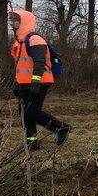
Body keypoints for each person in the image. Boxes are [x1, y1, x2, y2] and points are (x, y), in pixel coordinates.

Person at [9, 10, 71, 151]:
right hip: (24, 82)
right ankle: (32, 142)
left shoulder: (35, 39)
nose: (11, 23)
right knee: (24, 112)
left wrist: (35, 82)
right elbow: (21, 66)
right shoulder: (19, 41)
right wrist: (16, 82)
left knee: (32, 111)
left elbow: (39, 63)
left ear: (23, 21)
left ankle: (62, 128)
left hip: (40, 81)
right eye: (10, 20)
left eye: (14, 20)